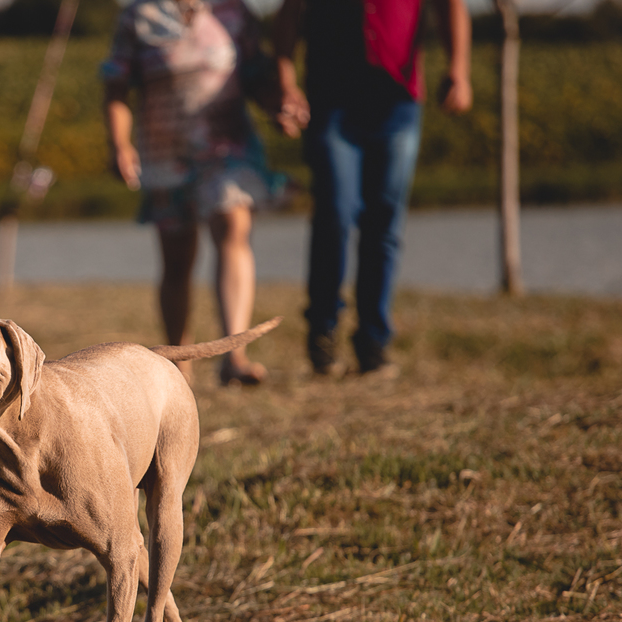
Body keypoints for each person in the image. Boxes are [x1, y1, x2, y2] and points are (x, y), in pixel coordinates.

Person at [274, 0, 472, 376]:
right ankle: (323, 331)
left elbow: (451, 5)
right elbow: (290, 12)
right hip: (331, 100)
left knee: (384, 222)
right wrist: (286, 82)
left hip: (397, 102)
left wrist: (458, 69)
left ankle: (374, 342)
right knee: (335, 213)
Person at [101, 0, 286, 385]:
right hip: (166, 154)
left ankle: (234, 356)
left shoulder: (233, 11)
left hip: (227, 147)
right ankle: (179, 366)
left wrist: (280, 104)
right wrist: (119, 144)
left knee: (233, 224)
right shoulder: (139, 16)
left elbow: (256, 72)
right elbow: (116, 85)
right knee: (177, 259)